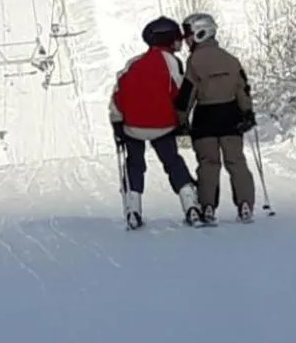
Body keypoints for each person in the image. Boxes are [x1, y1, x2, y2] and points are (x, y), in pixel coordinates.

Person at [109, 16, 196, 228]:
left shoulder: (132, 64)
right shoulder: (172, 62)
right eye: (177, 37)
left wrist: (118, 124)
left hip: (132, 127)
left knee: (134, 164)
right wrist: (184, 124)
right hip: (163, 126)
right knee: (172, 162)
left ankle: (133, 210)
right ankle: (191, 206)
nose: (180, 41)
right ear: (168, 40)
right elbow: (180, 94)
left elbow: (117, 95)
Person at [178, 12, 257, 224]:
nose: (186, 41)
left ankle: (208, 207)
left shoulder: (194, 61)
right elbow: (243, 89)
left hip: (205, 119)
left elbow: (187, 95)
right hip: (231, 116)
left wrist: (181, 121)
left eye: (188, 35)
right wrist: (247, 113)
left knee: (208, 164)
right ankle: (245, 204)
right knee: (236, 161)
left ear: (200, 33)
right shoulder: (231, 60)